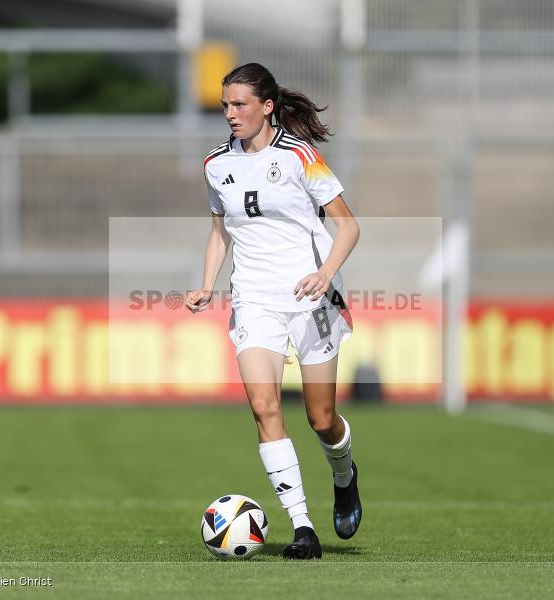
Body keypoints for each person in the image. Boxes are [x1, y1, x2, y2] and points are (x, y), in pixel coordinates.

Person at [185, 63, 361, 560]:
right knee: (264, 407)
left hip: (311, 298)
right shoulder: (216, 164)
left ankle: (344, 472)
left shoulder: (301, 156)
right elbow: (220, 232)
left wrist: (325, 274)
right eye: (224, 106)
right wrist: (205, 285)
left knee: (320, 418)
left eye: (239, 105)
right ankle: (302, 526)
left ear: (266, 106)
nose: (230, 114)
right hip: (254, 300)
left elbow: (348, 227)